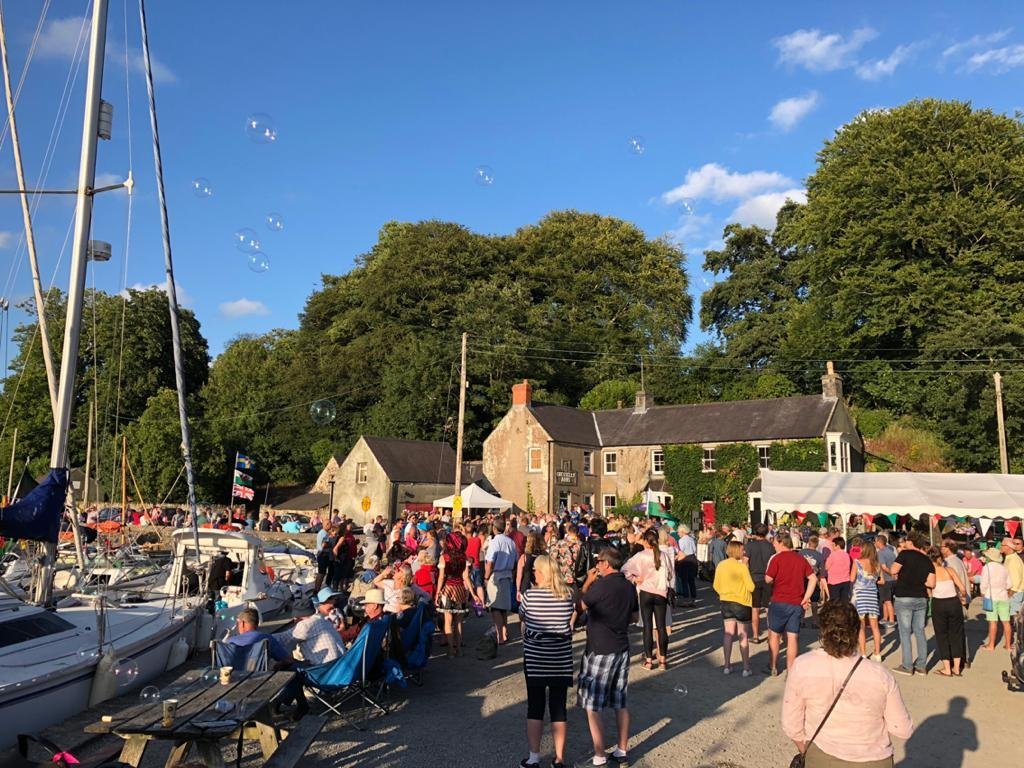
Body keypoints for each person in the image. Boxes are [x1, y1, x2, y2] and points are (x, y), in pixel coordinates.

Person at [782, 600, 913, 768]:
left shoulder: (802, 666)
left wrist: (806, 749)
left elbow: (791, 724)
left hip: (822, 755)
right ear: (857, 631)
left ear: (822, 630)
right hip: (873, 759)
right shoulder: (881, 675)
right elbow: (903, 729)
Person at [577, 547, 633, 768]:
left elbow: (580, 605)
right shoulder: (629, 586)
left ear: (607, 564)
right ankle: (622, 750)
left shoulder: (601, 585)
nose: (597, 565)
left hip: (601, 647)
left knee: (593, 704)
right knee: (620, 701)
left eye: (599, 562)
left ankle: (599, 756)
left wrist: (587, 583)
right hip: (621, 646)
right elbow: (634, 615)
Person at [518, 555, 575, 768]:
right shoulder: (567, 595)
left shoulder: (530, 596)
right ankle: (559, 758)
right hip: (560, 658)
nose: (532, 573)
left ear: (541, 572)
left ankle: (533, 757)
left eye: (534, 570)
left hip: (535, 659)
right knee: (559, 707)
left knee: (535, 706)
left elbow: (523, 617)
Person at [764, 533, 816, 676]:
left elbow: (768, 579)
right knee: (793, 637)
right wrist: (806, 597)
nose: (773, 545)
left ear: (781, 543)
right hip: (796, 602)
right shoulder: (801, 559)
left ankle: (773, 665)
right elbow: (813, 578)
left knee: (774, 635)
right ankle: (791, 670)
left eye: (775, 542)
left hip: (779, 601)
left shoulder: (777, 558)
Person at [622, 529, 674, 671]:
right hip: (661, 592)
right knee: (661, 627)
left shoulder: (640, 555)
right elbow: (670, 574)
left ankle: (649, 660)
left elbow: (624, 569)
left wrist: (634, 578)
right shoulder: (663, 555)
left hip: (645, 591)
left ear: (645, 540)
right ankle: (663, 660)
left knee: (647, 627)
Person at [890, 532, 935, 675]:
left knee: (905, 632)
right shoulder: (927, 560)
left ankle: (907, 665)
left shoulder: (904, 554)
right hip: (921, 597)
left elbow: (893, 570)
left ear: (910, 542)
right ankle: (922, 665)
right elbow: (931, 583)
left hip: (904, 596)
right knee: (919, 631)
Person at [713, 540, 754, 676]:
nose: (744, 552)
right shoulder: (741, 567)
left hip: (726, 601)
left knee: (728, 633)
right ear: (738, 551)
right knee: (743, 634)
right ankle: (746, 667)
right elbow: (751, 587)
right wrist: (746, 566)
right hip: (742, 602)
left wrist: (724, 592)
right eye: (742, 550)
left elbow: (715, 585)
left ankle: (726, 665)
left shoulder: (721, 565)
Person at [278, 586, 346, 666]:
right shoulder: (324, 621)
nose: (333, 602)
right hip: (341, 664)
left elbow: (281, 639)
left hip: (325, 670)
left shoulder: (305, 625)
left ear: (296, 618)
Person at [927, 547, 966, 676]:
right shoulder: (950, 570)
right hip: (953, 603)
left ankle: (947, 668)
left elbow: (930, 590)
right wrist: (963, 597)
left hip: (939, 603)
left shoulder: (930, 573)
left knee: (942, 635)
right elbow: (962, 588)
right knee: (956, 634)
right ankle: (956, 668)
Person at [436, 532, 475, 658]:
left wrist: (437, 592)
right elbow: (466, 577)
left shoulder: (444, 557)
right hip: (460, 589)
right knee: (458, 622)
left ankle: (450, 651)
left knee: (448, 621)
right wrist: (473, 594)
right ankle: (459, 649)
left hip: (448, 589)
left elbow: (441, 577)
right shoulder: (464, 557)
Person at [484, 518, 519, 644]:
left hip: (497, 575)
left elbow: (490, 562)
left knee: (496, 608)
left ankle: (500, 635)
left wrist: (486, 578)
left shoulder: (494, 542)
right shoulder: (511, 542)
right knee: (503, 607)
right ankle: (504, 632)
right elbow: (516, 560)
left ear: (494, 528)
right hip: (508, 575)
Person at [850, 540, 883, 661]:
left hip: (860, 595)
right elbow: (881, 581)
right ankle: (877, 653)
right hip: (873, 595)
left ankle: (863, 653)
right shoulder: (877, 565)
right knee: (875, 626)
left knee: (861, 626)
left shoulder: (857, 562)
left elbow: (852, 578)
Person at [743, 524, 774, 643]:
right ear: (766, 533)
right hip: (768, 578)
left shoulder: (750, 545)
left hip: (753, 579)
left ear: (755, 532)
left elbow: (745, 562)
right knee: (768, 608)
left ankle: (755, 636)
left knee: (755, 608)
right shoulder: (770, 546)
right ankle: (771, 635)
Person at [980, 547, 1012, 651]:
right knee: (1006, 622)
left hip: (991, 596)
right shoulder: (1004, 568)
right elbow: (1009, 584)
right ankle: (1008, 645)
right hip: (1003, 597)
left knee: (993, 622)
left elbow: (983, 584)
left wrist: (983, 594)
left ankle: (991, 645)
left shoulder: (987, 567)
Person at [874, 534, 897, 628]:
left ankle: (891, 620)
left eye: (875, 541)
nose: (874, 543)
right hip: (892, 580)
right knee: (885, 599)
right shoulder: (890, 551)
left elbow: (883, 567)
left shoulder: (880, 553)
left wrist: (891, 573)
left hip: (886, 579)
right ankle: (885, 617)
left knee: (887, 600)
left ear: (879, 542)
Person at [517, 531, 547, 602]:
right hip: (542, 588)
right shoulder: (546, 557)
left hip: (526, 588)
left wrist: (518, 589)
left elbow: (519, 575)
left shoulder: (524, 557)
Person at [674, 524, 698, 607]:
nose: (678, 533)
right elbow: (694, 549)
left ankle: (686, 599)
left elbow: (681, 552)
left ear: (683, 532)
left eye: (679, 532)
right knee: (691, 580)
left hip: (685, 560)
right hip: (692, 558)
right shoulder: (692, 539)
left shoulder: (681, 540)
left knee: (684, 580)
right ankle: (693, 599)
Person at [1000, 537, 1024, 619]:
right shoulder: (1010, 558)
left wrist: (1009, 595)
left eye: (1002, 545)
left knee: (1011, 621)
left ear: (1008, 547)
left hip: (1014, 594)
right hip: (1013, 593)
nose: (1000, 546)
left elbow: (1016, 581)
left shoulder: (1013, 560)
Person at [825, 537, 852, 604]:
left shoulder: (833, 554)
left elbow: (826, 567)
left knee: (834, 602)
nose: (832, 547)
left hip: (834, 582)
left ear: (837, 546)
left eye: (833, 545)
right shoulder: (847, 555)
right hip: (845, 581)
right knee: (844, 601)